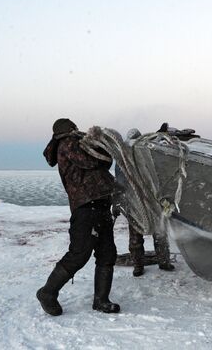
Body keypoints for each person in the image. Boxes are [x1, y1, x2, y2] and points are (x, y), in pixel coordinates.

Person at [37, 118, 120, 316]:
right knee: (79, 254)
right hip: (86, 207)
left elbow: (99, 164)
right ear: (69, 130)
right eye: (74, 128)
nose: (77, 130)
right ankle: (48, 292)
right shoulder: (68, 144)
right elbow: (91, 161)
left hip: (99, 203)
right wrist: (105, 148)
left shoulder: (75, 143)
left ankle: (101, 300)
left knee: (107, 253)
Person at [113, 128, 175, 277]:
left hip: (136, 202)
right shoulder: (145, 154)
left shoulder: (122, 157)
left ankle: (138, 265)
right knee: (159, 232)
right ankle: (162, 261)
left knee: (137, 235)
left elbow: (119, 180)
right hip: (148, 200)